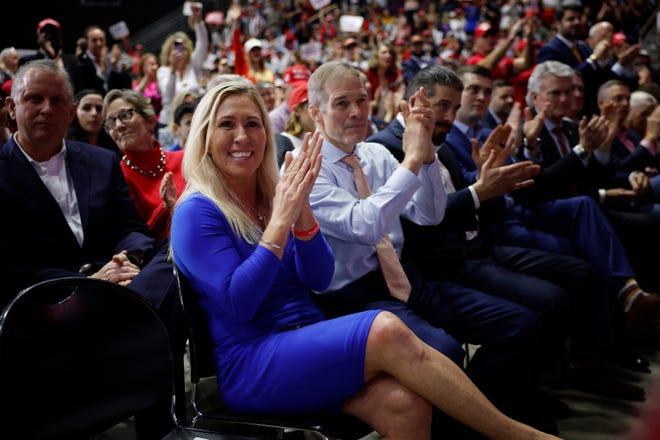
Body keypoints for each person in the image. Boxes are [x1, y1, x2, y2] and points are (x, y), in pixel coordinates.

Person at [169, 78, 560, 440]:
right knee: (385, 328)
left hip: (305, 337)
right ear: (204, 135)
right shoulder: (196, 211)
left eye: (253, 124)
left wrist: (300, 213)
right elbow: (241, 301)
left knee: (405, 406)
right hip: (252, 363)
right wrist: (282, 220)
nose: (242, 136)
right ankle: (515, 434)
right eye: (227, 125)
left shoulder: (274, 194)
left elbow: (319, 277)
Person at [300, 60, 560, 432]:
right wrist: (412, 159)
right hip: (350, 299)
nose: (357, 111)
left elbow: (429, 214)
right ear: (315, 112)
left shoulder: (373, 155)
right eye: (342, 103)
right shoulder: (305, 164)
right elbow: (364, 223)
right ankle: (472, 427)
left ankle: (482, 423)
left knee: (518, 324)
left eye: (361, 99)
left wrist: (427, 156)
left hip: (405, 280)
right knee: (445, 350)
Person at [0, 59, 182, 439]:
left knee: (176, 247)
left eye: (57, 100)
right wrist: (88, 281)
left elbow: (133, 229)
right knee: (152, 317)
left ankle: (158, 427)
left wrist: (128, 259)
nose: (47, 108)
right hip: (45, 305)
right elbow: (9, 264)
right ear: (12, 109)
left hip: (120, 289)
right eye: (34, 98)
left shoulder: (102, 161)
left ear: (70, 111)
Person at [103, 88, 185, 242]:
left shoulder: (183, 159)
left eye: (125, 115)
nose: (119, 125)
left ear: (150, 121)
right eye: (111, 122)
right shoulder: (116, 176)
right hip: (160, 254)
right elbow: (136, 236)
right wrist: (166, 207)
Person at [157, 2, 208, 129]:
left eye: (184, 49)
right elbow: (168, 96)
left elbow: (203, 44)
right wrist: (173, 70)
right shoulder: (163, 71)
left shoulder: (193, 66)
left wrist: (198, 20)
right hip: (170, 123)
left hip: (192, 120)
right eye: (175, 49)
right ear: (168, 54)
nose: (180, 53)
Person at [66, 88, 120, 157]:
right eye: (86, 108)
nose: (94, 113)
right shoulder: (64, 147)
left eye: (99, 109)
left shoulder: (116, 145)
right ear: (74, 112)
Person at [274, 81, 314, 167]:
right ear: (296, 110)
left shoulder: (317, 139)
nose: (318, 113)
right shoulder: (282, 142)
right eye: (311, 107)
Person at [132, 52, 163, 123]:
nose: (153, 66)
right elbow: (135, 96)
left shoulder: (160, 81)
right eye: (150, 64)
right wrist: (147, 75)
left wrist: (157, 77)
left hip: (160, 118)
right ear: (143, 67)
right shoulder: (137, 83)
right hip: (145, 120)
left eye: (154, 64)